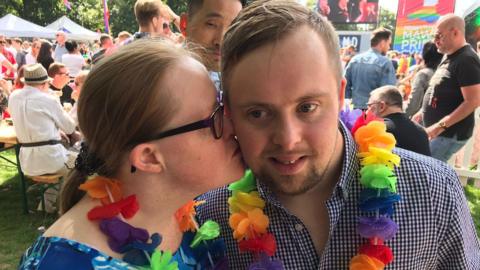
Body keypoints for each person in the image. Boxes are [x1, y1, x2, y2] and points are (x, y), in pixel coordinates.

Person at [196, 1, 480, 269]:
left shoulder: (433, 194)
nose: (288, 139)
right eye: (257, 113)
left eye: (307, 107)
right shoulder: (211, 217)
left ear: (341, 94)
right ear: (230, 113)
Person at [18, 39, 244, 269]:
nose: (234, 125)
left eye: (221, 103)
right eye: (214, 117)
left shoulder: (184, 212)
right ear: (149, 157)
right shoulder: (62, 265)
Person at [414, 14, 480, 162]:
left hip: (448, 134)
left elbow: (473, 101)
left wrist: (439, 126)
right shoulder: (450, 56)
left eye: (439, 35)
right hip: (440, 132)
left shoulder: (467, 59)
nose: (435, 40)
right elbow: (440, 89)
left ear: (455, 32)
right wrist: (421, 112)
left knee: (427, 175)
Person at [8, 64, 79, 177]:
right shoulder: (48, 99)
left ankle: (50, 193)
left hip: (27, 164)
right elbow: (70, 127)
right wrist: (76, 102)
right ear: (43, 84)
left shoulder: (13, 97)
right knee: (88, 162)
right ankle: (62, 193)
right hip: (53, 160)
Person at [180, 0, 243, 90]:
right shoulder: (160, 80)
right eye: (211, 24)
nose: (221, 41)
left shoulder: (231, 83)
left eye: (232, 28)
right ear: (184, 24)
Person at [367, 85, 431, 156]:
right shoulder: (421, 131)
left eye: (370, 105)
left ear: (382, 106)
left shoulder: (381, 129)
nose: (367, 111)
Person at [345, 27, 397, 109]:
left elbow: (344, 85)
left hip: (355, 111)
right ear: (383, 43)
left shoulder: (354, 60)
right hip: (375, 112)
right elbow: (389, 92)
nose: (389, 47)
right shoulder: (385, 63)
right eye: (388, 44)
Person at [404, 41, 443, 117]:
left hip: (421, 119)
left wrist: (401, 116)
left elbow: (413, 104)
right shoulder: (443, 73)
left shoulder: (423, 74)